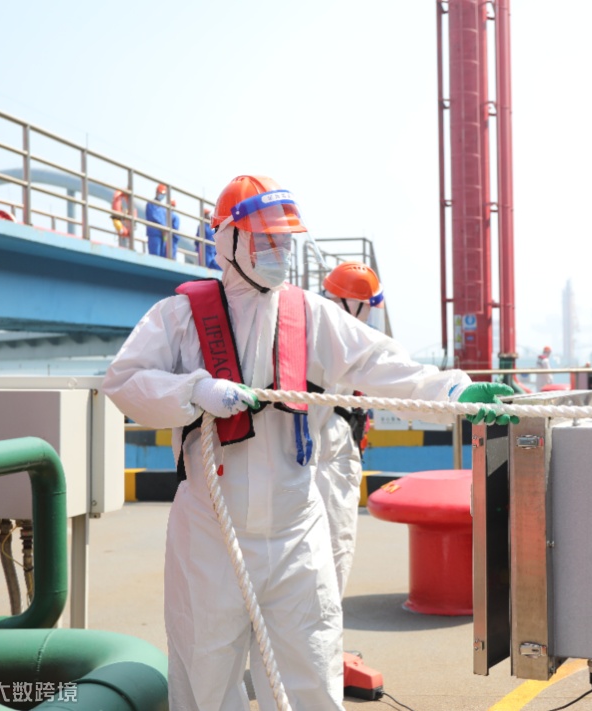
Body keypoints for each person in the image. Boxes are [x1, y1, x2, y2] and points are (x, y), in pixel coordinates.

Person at [101, 174, 514, 710]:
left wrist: (453, 390)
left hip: (297, 527)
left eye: (284, 240)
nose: (278, 251)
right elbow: (125, 381)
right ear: (228, 240)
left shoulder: (309, 314)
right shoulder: (178, 317)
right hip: (209, 528)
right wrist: (195, 390)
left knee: (312, 669)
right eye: (265, 239)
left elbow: (376, 362)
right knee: (206, 670)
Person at [316, 260, 385, 596]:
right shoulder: (345, 342)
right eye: (369, 307)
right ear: (352, 304)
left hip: (334, 443)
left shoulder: (322, 333)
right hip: (335, 450)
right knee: (336, 541)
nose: (371, 316)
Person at [144, 183, 170, 257]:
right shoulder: (151, 204)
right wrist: (162, 227)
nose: (162, 195)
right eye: (161, 193)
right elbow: (153, 217)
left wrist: (165, 230)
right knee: (155, 256)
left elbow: (165, 220)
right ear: (157, 192)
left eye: (164, 194)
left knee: (163, 256)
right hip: (154, 234)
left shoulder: (163, 208)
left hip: (163, 235)